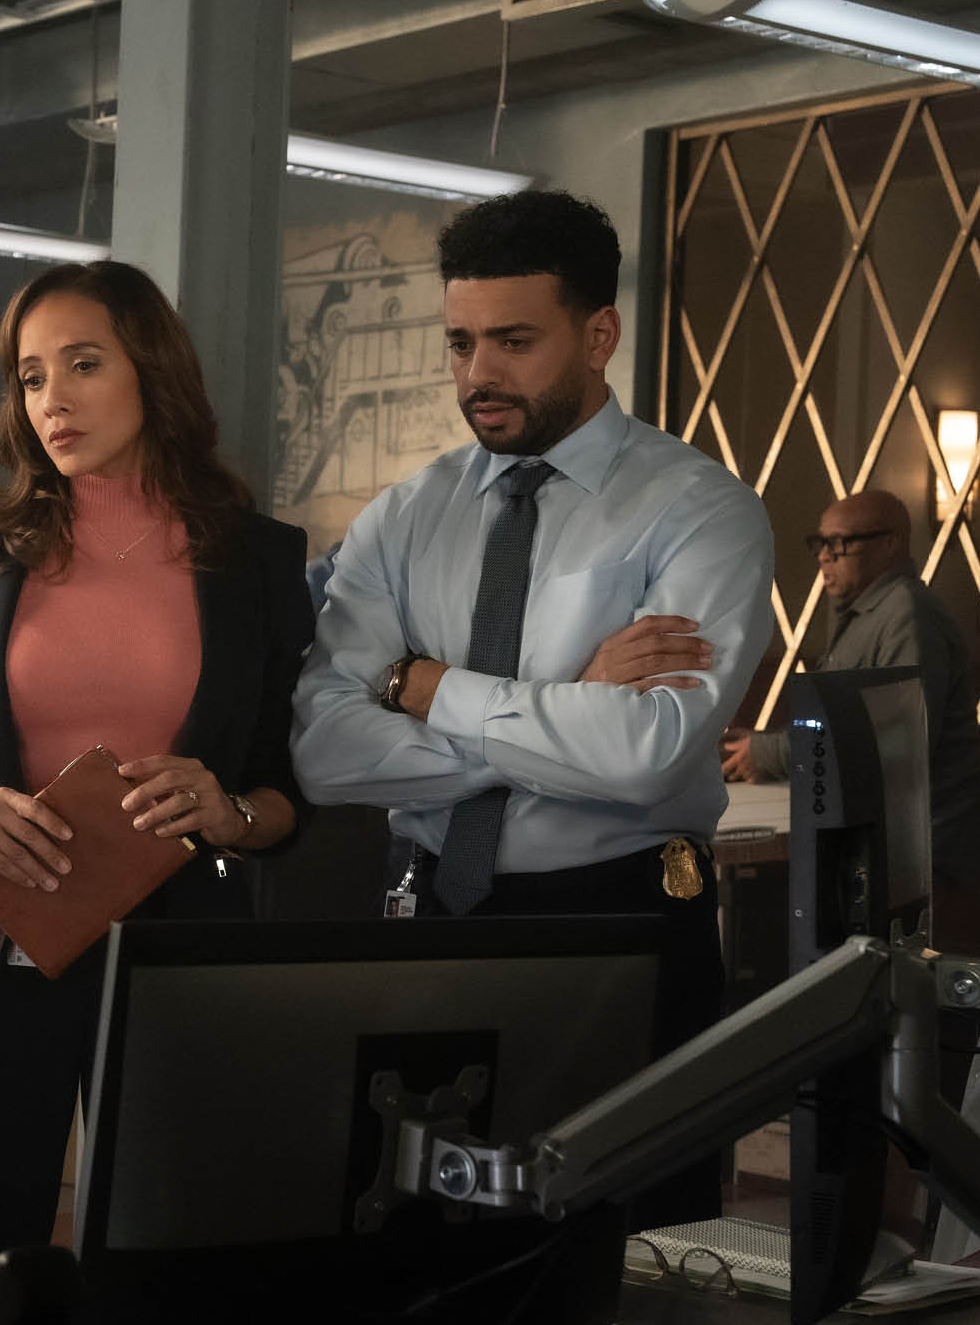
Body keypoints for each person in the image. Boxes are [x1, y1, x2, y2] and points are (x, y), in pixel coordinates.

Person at [290, 190, 774, 1226]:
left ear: (599, 334)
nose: (477, 375)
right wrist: (558, 722)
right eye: (460, 342)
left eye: (514, 340)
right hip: (428, 919)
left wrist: (424, 688)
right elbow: (325, 749)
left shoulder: (701, 511)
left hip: (626, 918)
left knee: (634, 1248)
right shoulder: (407, 515)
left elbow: (645, 754)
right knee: (431, 1248)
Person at [0, 259, 314, 1252]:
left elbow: (288, 786)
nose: (52, 399)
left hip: (178, 955)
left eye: (82, 363)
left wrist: (231, 812)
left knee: (166, 1273)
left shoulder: (255, 560)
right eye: (30, 375)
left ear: (152, 371)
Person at [723, 489, 980, 938]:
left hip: (928, 850)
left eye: (841, 544)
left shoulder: (905, 615)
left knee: (917, 987)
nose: (825, 557)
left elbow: (893, 740)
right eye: (820, 544)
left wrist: (771, 751)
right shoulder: (868, 613)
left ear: (891, 543)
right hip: (892, 841)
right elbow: (844, 722)